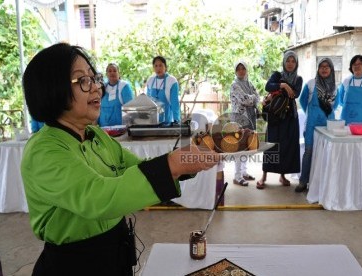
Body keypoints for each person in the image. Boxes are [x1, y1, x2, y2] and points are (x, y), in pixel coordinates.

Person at [21, 42, 218, 276]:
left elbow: (137, 170)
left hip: (114, 251)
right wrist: (173, 164)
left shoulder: (96, 137)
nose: (96, 88)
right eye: (83, 80)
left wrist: (190, 157)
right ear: (51, 87)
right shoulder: (44, 150)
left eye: (94, 78)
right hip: (75, 263)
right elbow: (99, 197)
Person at [257, 50, 303, 190]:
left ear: (296, 64)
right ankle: (264, 176)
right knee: (271, 145)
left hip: (289, 118)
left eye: (293, 61)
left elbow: (294, 94)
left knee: (287, 147)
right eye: (288, 61)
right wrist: (283, 85)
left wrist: (278, 89)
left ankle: (282, 175)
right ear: (284, 62)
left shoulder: (298, 79)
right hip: (276, 116)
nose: (290, 64)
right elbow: (268, 86)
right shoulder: (277, 75)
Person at [295, 58, 337, 193]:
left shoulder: (336, 87)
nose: (324, 69)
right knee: (309, 152)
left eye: (327, 67)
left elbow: (335, 105)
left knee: (326, 153)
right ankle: (303, 181)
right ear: (318, 69)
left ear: (331, 70)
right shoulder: (311, 84)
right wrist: (311, 112)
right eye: (321, 67)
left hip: (328, 124)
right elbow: (302, 100)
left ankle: (322, 183)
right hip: (312, 123)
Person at [230, 60, 260, 186]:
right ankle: (237, 176)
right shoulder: (234, 85)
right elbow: (244, 99)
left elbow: (257, 97)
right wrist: (252, 98)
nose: (241, 71)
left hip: (250, 117)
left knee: (247, 145)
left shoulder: (250, 83)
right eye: (239, 69)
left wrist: (252, 98)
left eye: (243, 68)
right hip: (240, 119)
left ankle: (244, 172)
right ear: (236, 71)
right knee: (239, 147)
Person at [145, 56, 181, 125]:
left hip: (167, 121)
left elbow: (175, 103)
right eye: (156, 66)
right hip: (153, 122)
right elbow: (148, 101)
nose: (158, 68)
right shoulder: (150, 80)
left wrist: (177, 121)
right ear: (153, 68)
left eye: (161, 65)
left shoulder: (172, 81)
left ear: (165, 67)